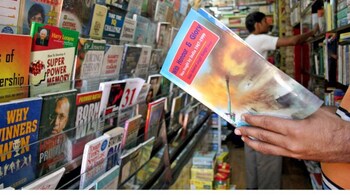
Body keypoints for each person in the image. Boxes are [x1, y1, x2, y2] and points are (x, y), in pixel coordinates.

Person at [242, 11, 319, 189]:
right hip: (262, 101)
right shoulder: (259, 38)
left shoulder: (247, 42)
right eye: (265, 21)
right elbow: (293, 41)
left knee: (253, 145)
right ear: (257, 25)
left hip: (249, 100)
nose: (268, 24)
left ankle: (253, 188)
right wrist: (312, 31)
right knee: (268, 148)